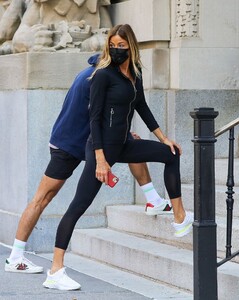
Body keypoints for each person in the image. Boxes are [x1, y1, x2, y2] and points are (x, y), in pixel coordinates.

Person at [42, 23, 193, 291]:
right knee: (78, 206)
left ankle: (179, 218)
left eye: (122, 46)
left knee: (171, 154)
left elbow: (143, 107)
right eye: (113, 45)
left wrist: (163, 138)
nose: (116, 50)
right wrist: (100, 159)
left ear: (131, 46)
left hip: (123, 144)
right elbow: (95, 117)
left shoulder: (134, 73)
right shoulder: (102, 75)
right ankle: (55, 270)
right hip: (101, 148)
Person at [5, 52, 171, 274]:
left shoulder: (92, 72)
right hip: (68, 145)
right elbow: (95, 116)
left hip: (80, 140)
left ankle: (152, 199)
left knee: (131, 142)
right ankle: (16, 257)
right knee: (43, 197)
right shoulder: (100, 78)